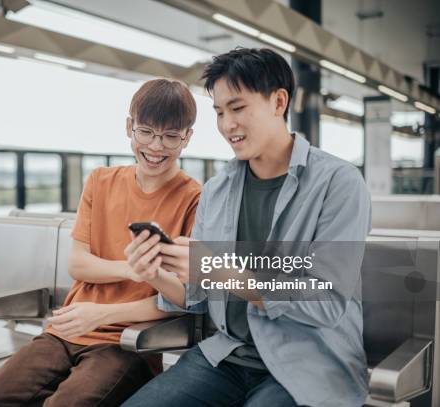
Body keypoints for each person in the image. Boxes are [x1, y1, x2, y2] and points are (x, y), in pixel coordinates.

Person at [123, 48, 371, 407]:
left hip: (307, 365)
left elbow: (326, 299)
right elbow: (196, 296)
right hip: (224, 358)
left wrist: (220, 271)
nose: (227, 125)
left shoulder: (339, 183)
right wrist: (157, 272)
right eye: (220, 113)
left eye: (238, 109)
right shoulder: (217, 190)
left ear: (278, 102)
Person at [0, 78, 201, 407]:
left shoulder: (195, 199)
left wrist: (102, 314)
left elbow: (184, 297)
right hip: (67, 329)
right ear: (129, 127)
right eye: (146, 132)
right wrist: (135, 269)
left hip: (129, 344)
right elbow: (78, 264)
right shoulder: (100, 181)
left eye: (170, 136)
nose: (156, 146)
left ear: (187, 137)